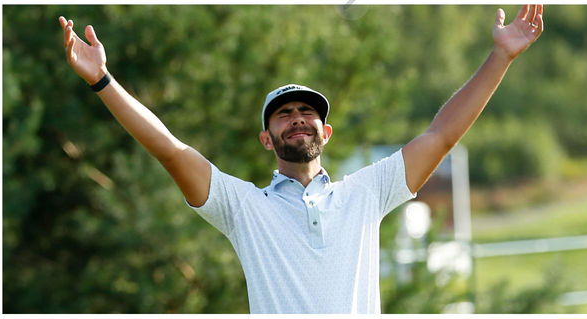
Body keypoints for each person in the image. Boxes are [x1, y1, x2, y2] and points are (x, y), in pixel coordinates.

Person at [58, 4, 543, 314]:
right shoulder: (243, 207)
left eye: (307, 113)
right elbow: (169, 148)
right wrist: (104, 81)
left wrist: (499, 56)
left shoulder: (367, 193)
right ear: (266, 139)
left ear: (325, 132)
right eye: (283, 115)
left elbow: (441, 135)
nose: (296, 119)